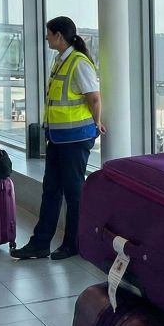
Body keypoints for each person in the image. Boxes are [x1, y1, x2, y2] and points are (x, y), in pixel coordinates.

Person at [12, 16, 104, 261]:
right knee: (51, 190)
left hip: (75, 138)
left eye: (49, 33)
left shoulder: (79, 63)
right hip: (58, 137)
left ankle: (73, 243)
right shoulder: (60, 61)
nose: (46, 37)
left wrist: (97, 123)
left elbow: (94, 98)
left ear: (59, 36)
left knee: (74, 192)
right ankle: (40, 243)